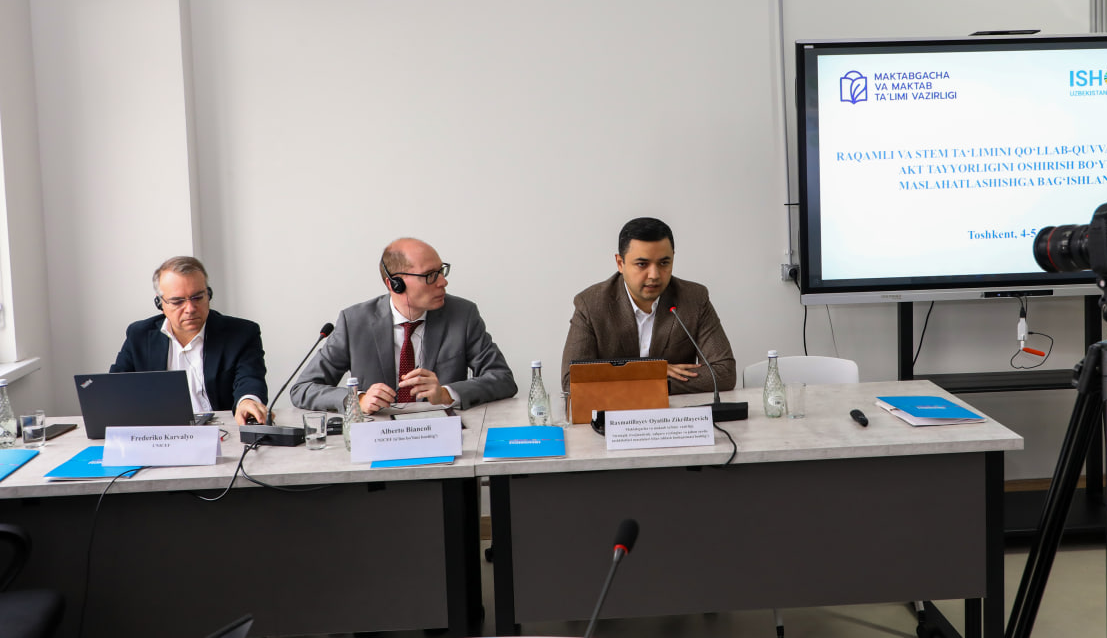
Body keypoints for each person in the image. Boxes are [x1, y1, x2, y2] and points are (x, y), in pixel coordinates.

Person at [290, 238, 517, 414]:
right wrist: (357, 399)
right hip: (378, 439)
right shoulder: (354, 322)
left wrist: (447, 394)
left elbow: (502, 378)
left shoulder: (462, 315)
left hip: (442, 435)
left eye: (441, 271)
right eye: (430, 275)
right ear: (395, 284)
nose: (443, 281)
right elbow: (303, 388)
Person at [561, 217, 735, 395]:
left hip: (675, 411)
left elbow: (724, 373)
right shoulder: (591, 304)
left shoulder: (694, 298)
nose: (654, 275)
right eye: (642, 264)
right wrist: (649, 371)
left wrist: (648, 384)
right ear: (620, 263)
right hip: (615, 411)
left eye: (664, 263)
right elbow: (571, 380)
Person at [110, 256, 269, 426]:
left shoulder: (241, 333)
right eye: (177, 301)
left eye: (198, 298)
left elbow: (250, 379)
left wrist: (247, 401)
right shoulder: (139, 335)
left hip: (222, 430)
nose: (190, 309)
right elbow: (115, 388)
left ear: (208, 295)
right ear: (160, 303)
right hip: (159, 431)